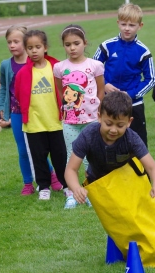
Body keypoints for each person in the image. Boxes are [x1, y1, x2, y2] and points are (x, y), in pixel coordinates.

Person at [65, 90, 155, 204]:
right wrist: (77, 188)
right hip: (98, 182)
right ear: (99, 117)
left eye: (120, 125)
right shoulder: (88, 135)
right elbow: (71, 169)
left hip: (126, 181)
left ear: (129, 122)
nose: (113, 130)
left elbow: (153, 168)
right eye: (108, 124)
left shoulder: (131, 138)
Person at [0, 25, 62, 195]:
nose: (12, 45)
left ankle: (53, 176)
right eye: (9, 42)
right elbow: (5, 88)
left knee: (45, 147)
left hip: (42, 111)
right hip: (18, 112)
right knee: (25, 149)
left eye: (16, 41)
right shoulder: (6, 65)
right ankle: (28, 182)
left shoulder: (42, 64)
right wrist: (2, 110)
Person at [53, 24, 105, 208]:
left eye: (76, 43)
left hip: (92, 120)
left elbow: (101, 89)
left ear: (85, 43)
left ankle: (90, 191)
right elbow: (61, 91)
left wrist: (98, 110)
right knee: (72, 156)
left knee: (91, 157)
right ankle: (72, 193)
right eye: (68, 45)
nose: (72, 48)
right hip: (70, 121)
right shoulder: (59, 67)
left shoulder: (95, 65)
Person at [14, 29, 70, 201]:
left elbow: (66, 90)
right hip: (34, 125)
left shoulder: (57, 67)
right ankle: (44, 187)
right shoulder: (23, 73)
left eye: (38, 46)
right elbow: (18, 94)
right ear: (26, 49)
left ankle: (66, 185)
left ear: (45, 47)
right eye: (30, 47)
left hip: (56, 123)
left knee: (61, 157)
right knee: (38, 158)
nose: (34, 51)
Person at [93, 3, 155, 147]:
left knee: (138, 144)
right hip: (108, 102)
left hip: (134, 104)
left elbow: (150, 79)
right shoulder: (106, 46)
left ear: (140, 26)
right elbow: (92, 69)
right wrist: (105, 85)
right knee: (107, 142)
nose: (127, 28)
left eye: (132, 25)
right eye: (124, 24)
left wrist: (130, 94)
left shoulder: (143, 51)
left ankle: (140, 169)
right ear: (118, 23)